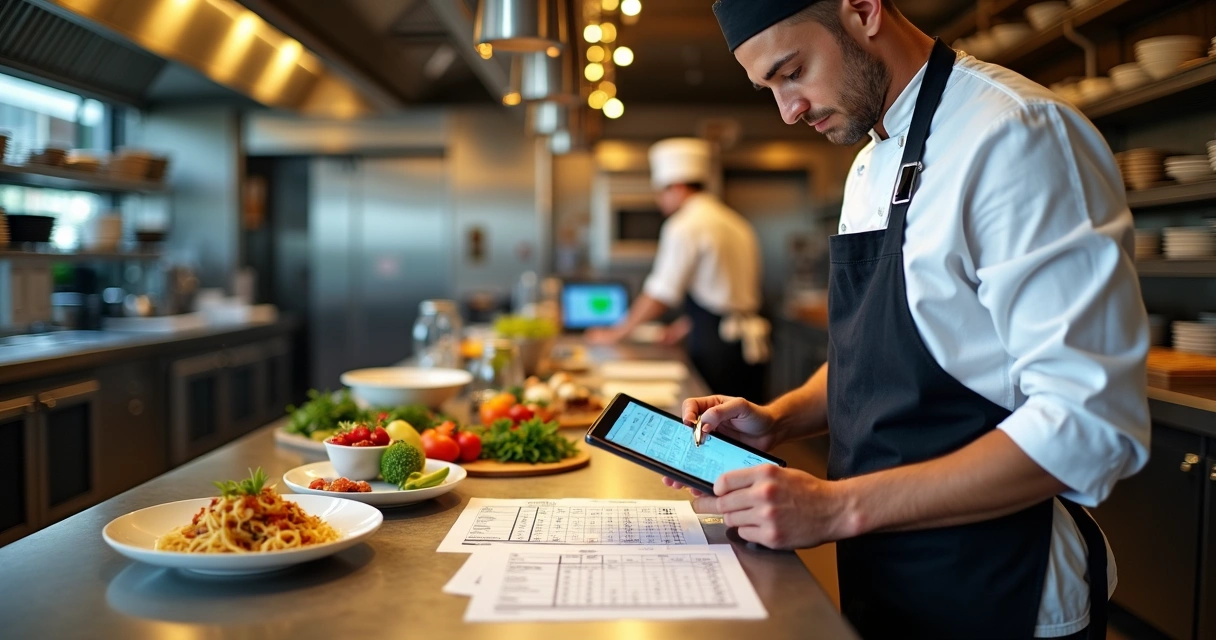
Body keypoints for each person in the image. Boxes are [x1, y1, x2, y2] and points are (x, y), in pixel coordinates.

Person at [672, 1, 1151, 638]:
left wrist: (836, 507)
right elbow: (889, 354)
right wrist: (779, 420)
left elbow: (1089, 425)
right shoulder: (869, 158)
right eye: (769, 88)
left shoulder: (1016, 134)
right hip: (887, 570)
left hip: (999, 587)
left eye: (792, 72)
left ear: (863, 10)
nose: (788, 109)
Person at [585, 137, 769, 401]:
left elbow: (660, 294)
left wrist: (616, 333)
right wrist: (685, 325)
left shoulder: (685, 224)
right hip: (745, 344)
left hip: (716, 348)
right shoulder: (735, 222)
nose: (659, 200)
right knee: (744, 428)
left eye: (661, 191)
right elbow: (725, 292)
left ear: (678, 187)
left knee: (717, 428)